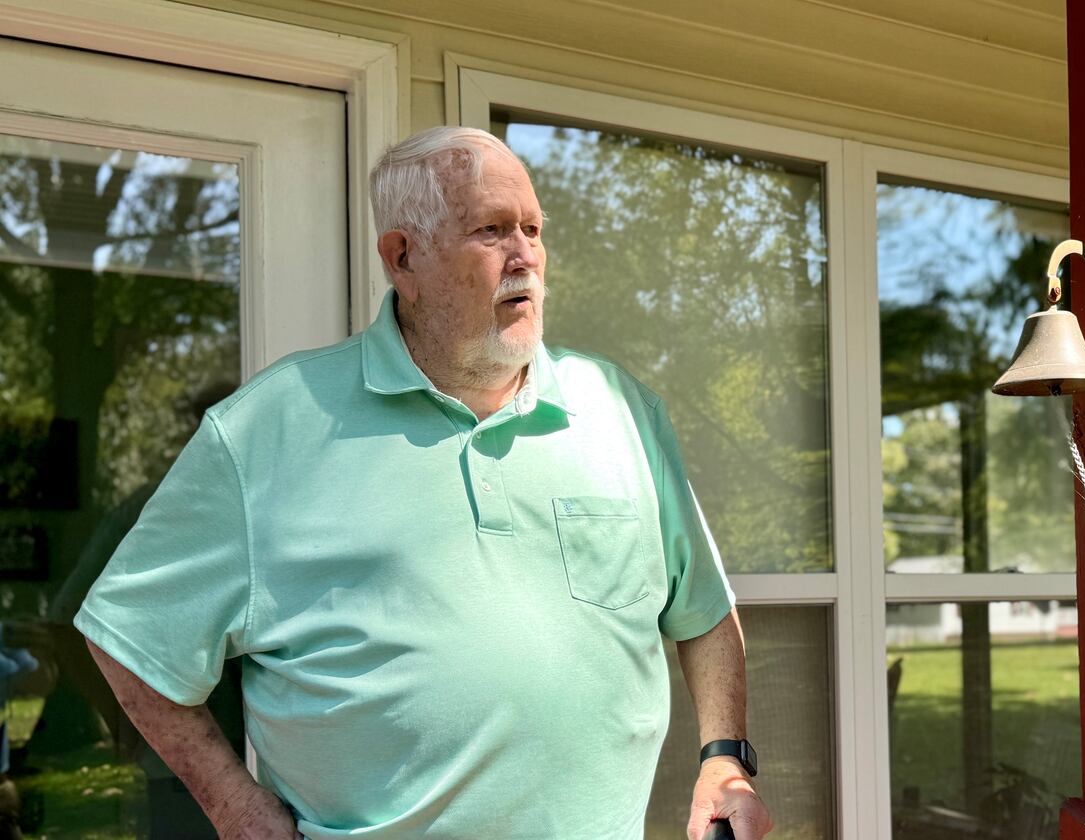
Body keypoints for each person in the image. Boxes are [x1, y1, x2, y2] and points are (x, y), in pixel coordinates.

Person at [75, 126, 773, 840]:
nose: (526, 255)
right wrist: (234, 805)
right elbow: (129, 639)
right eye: (492, 231)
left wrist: (724, 759)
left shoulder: (620, 410)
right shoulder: (269, 429)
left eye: (533, 229)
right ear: (403, 257)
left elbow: (705, 612)